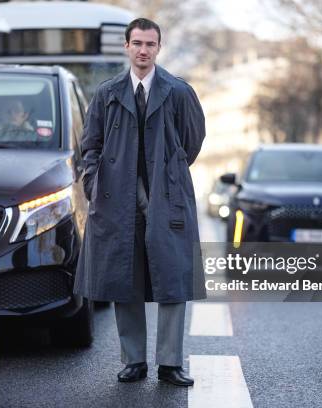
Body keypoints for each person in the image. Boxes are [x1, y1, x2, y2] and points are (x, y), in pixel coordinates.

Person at [74, 18, 206, 386]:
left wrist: (171, 173)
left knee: (173, 279)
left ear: (158, 48)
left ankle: (170, 364)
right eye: (137, 43)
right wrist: (94, 184)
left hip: (167, 197)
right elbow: (91, 145)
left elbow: (192, 142)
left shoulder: (179, 92)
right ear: (127, 47)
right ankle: (133, 361)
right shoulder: (107, 93)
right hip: (117, 199)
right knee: (123, 277)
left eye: (150, 44)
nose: (143, 50)